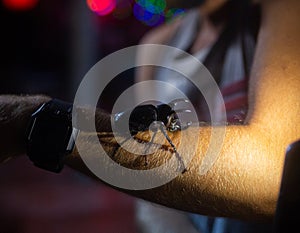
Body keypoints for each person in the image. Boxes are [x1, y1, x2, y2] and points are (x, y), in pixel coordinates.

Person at [0, 0, 300, 231]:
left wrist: (34, 121)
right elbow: (141, 165)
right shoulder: (155, 44)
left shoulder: (280, 11)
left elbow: (275, 176)